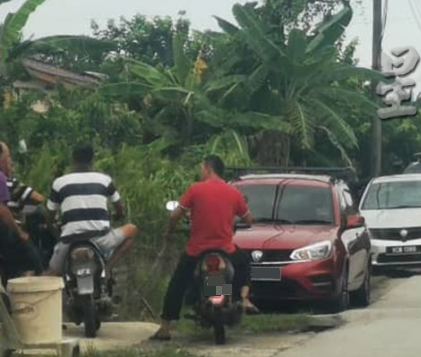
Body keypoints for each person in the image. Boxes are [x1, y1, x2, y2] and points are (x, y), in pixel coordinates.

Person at [151, 155, 256, 341]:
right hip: (226, 250)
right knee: (246, 262)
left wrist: (170, 232)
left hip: (197, 251)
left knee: (177, 283)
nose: (200, 171)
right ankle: (244, 298)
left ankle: (165, 327)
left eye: (201, 167)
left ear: (208, 168)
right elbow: (249, 219)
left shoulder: (195, 189)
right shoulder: (233, 192)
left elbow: (175, 215)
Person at [46, 144, 138, 275]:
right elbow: (120, 208)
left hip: (69, 242)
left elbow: (50, 216)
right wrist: (116, 215)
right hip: (101, 240)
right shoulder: (105, 180)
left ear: (72, 160)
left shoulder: (59, 183)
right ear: (92, 160)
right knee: (132, 230)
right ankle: (106, 270)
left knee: (49, 276)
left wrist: (55, 230)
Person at [0, 141, 43, 279]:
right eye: (8, 157)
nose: (10, 161)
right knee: (33, 260)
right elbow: (2, 210)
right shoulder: (7, 181)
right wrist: (20, 233)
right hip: (4, 233)